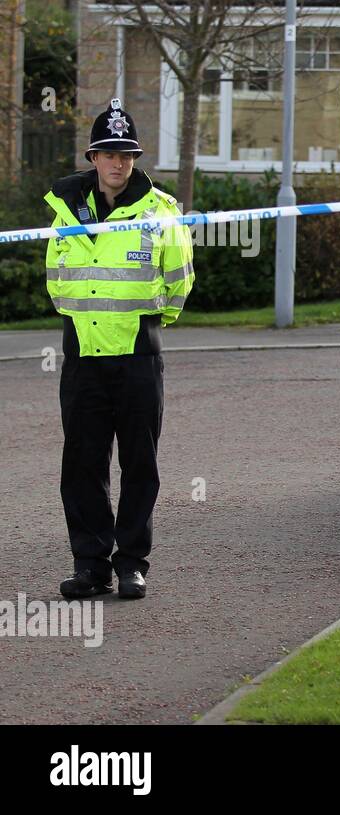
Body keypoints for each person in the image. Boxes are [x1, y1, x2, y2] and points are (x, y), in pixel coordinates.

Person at [43, 98, 195, 600]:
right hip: (82, 351)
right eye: (109, 153)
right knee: (82, 463)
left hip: (137, 351)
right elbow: (57, 279)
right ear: (92, 157)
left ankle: (131, 563)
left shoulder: (160, 212)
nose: (118, 163)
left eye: (127, 154)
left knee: (139, 461)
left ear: (135, 158)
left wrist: (149, 321)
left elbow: (179, 279)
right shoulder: (66, 209)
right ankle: (90, 566)